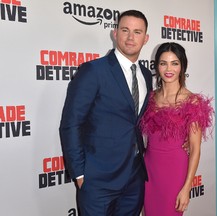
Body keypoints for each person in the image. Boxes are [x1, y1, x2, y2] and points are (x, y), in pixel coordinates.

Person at [59, 10, 152, 216]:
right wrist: (80, 174)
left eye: (137, 32)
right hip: (98, 180)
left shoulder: (146, 75)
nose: (130, 37)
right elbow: (71, 124)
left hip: (134, 178)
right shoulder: (93, 70)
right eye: (125, 30)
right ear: (114, 33)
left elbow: (139, 121)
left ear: (145, 39)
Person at [140, 42, 213, 216]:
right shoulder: (149, 97)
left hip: (174, 171)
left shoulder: (191, 101)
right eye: (163, 63)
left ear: (182, 66)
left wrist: (187, 187)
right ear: (157, 66)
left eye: (175, 63)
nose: (168, 68)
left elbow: (195, 149)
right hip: (149, 169)